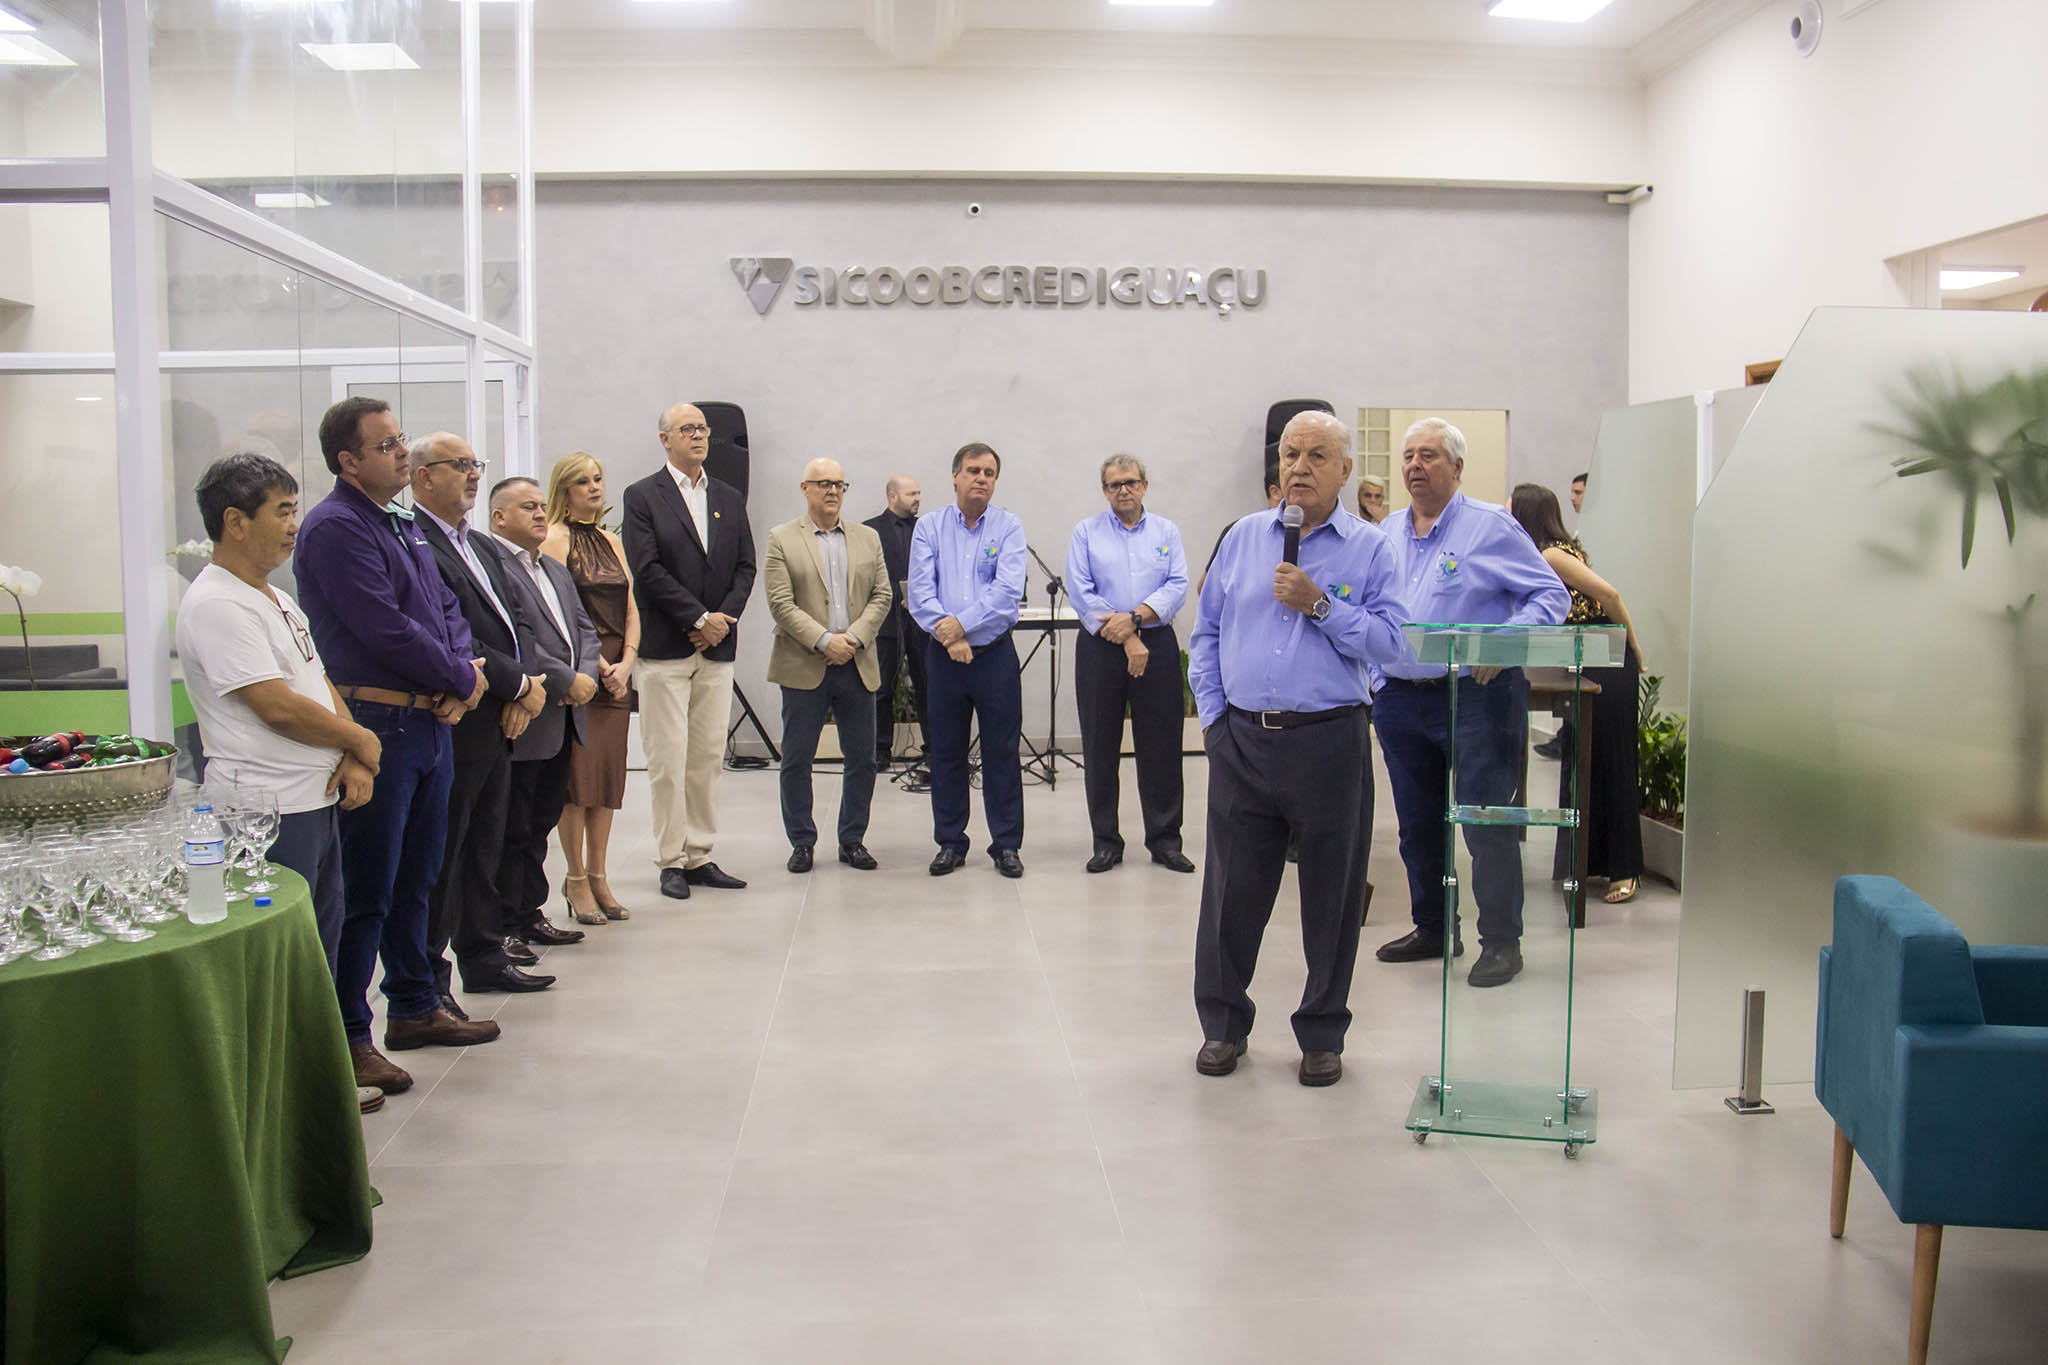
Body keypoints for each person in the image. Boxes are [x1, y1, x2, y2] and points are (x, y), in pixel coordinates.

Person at [1189, 411, 1406, 1088]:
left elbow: (1393, 645)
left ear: (1345, 471)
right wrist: (1215, 722)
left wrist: (1320, 605)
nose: (1299, 467)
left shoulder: (1371, 549)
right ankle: (1224, 1024)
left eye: (1316, 456)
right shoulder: (1242, 538)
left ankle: (1321, 1032)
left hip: (1329, 740)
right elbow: (1205, 634)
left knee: (1332, 895)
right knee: (1230, 892)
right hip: (1242, 741)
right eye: (1290, 454)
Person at [294, 397, 500, 1099]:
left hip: (429, 722)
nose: (402, 453)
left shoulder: (401, 523)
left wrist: (463, 676)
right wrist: (460, 679)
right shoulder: (335, 528)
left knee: (419, 877)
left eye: (401, 440)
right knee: (369, 888)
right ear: (348, 461)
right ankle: (352, 1035)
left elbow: (446, 610)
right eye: (385, 446)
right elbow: (383, 628)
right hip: (378, 724)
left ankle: (415, 1004)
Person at [179, 452, 387, 1115]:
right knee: (277, 962)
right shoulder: (217, 603)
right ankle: (280, 1101)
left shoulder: (275, 598)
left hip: (312, 801)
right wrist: (360, 740)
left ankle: (313, 1088)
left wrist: (353, 751)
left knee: (316, 956)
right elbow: (275, 706)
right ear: (235, 521)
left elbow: (315, 683)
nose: (295, 524)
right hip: (263, 812)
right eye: (284, 511)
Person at [1373, 418, 1570, 989]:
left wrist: (1502, 643)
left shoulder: (1491, 526)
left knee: (1486, 823)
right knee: (1417, 824)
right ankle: (1435, 927)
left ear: (1457, 467)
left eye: (1429, 455)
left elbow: (1551, 595)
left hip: (1477, 696)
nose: (1415, 465)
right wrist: (1376, 676)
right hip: (1401, 698)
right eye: (1408, 456)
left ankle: (1502, 942)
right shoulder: (1386, 532)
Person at [410, 433, 554, 997]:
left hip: (499, 715)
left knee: (486, 846)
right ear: (424, 476)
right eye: (460, 465)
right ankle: (429, 983)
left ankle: (484, 955)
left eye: (476, 464)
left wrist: (524, 688)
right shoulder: (417, 541)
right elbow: (454, 634)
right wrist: (517, 685)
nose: (473, 474)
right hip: (460, 715)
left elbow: (519, 620)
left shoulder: (481, 544)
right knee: (447, 853)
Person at [622, 402, 757, 900]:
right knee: (667, 759)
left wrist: (721, 621)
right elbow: (647, 568)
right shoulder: (642, 495)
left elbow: (745, 566)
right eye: (688, 429)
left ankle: (699, 853)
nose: (699, 436)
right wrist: (698, 619)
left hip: (717, 649)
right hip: (665, 648)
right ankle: (670, 860)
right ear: (665, 438)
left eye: (702, 429)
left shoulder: (727, 495)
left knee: (705, 757)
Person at [1509, 482, 1646, 904]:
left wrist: (1634, 645)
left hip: (1606, 657)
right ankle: (1590, 862)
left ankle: (1625, 869)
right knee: (1586, 761)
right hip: (1586, 658)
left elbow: (1609, 595)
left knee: (1611, 761)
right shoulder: (1541, 554)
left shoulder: (1552, 555)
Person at [486, 477, 604, 946]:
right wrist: (566, 680)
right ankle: (503, 925)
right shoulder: (495, 566)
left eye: (541, 506)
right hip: (529, 713)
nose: (540, 514)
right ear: (499, 518)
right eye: (528, 507)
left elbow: (584, 628)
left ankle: (529, 913)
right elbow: (518, 640)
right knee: (512, 827)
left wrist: (586, 676)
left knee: (540, 824)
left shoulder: (553, 568)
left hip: (565, 716)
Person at [763, 458, 894, 872]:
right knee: (797, 759)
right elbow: (780, 603)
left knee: (862, 759)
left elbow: (883, 595)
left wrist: (852, 638)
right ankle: (802, 842)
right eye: (823, 483)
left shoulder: (868, 538)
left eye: (839, 484)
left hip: (856, 662)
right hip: (805, 662)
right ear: (805, 488)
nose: (833, 490)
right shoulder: (782, 538)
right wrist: (824, 640)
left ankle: (852, 840)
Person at [1066, 454, 1192, 874]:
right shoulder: (1086, 533)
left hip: (1156, 643)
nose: (1124, 490)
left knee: (1162, 745)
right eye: (1115, 484)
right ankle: (1106, 842)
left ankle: (1165, 840)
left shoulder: (1166, 531)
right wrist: (1127, 634)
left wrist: (1136, 619)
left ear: (1144, 485)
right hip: (1101, 646)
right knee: (1100, 745)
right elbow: (1082, 592)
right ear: (1104, 490)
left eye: (1131, 482)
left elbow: (1177, 585)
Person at [908, 442, 1027, 878]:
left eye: (989, 473)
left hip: (993, 656)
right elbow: (920, 593)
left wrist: (960, 627)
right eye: (974, 470)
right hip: (944, 659)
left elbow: (1007, 593)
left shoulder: (1009, 527)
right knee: (946, 752)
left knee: (1002, 752)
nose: (981, 478)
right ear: (955, 476)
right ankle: (950, 842)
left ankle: (1006, 844)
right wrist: (950, 635)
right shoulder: (930, 527)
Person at [541, 453, 640, 924]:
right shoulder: (554, 539)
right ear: (565, 491)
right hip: (581, 668)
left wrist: (627, 662)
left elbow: (631, 606)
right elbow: (560, 611)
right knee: (577, 784)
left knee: (606, 780)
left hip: (618, 670)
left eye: (598, 479)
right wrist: (599, 664)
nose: (594, 488)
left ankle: (600, 875)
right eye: (583, 482)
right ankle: (575, 877)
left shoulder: (611, 539)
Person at [863, 474, 928, 767]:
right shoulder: (870, 530)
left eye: (918, 493)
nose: (917, 499)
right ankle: (879, 751)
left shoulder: (926, 528)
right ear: (892, 497)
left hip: (923, 622)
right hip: (885, 621)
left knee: (928, 685)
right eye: (911, 494)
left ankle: (934, 749)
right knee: (881, 687)